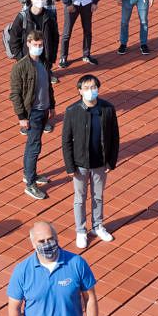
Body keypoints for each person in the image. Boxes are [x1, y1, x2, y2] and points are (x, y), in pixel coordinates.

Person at [61, 75, 120, 249]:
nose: (90, 91)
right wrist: (69, 166)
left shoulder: (108, 109)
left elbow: (115, 136)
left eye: (93, 87)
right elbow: (66, 140)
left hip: (100, 163)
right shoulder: (72, 111)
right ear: (80, 91)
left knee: (98, 196)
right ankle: (80, 230)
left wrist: (111, 162)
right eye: (86, 88)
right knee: (80, 198)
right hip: (79, 164)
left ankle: (97, 226)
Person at [10, 31, 55, 199]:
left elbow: (48, 87)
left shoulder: (43, 62)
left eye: (41, 45)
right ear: (28, 44)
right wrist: (22, 117)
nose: (38, 48)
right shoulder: (20, 67)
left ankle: (29, 174)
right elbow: (15, 94)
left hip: (44, 110)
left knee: (34, 146)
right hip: (33, 113)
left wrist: (52, 106)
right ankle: (30, 184)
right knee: (33, 147)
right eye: (35, 45)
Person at [8, 0, 60, 82]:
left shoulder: (50, 16)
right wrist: (20, 58)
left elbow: (55, 37)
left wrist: (52, 56)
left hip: (44, 53)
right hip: (27, 54)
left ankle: (47, 72)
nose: (40, 1)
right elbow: (14, 39)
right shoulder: (22, 17)